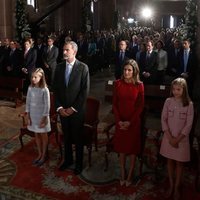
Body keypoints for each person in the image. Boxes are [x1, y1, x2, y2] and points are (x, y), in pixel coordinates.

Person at [53, 41, 90, 175]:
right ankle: (68, 160)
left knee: (78, 138)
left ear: (74, 51)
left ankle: (79, 164)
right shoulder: (59, 67)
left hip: (77, 111)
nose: (64, 52)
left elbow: (84, 91)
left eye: (66, 50)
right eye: (63, 50)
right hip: (63, 110)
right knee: (67, 137)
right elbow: (55, 89)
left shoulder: (83, 67)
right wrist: (60, 108)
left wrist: (73, 108)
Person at [160, 78, 194, 200]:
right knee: (169, 161)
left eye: (178, 89)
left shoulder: (189, 104)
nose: (175, 92)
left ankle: (177, 187)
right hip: (169, 138)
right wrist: (170, 138)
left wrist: (177, 139)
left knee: (179, 163)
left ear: (184, 90)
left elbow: (188, 125)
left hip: (181, 140)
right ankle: (171, 184)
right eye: (174, 89)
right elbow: (163, 119)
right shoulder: (168, 101)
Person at [112, 59, 144, 186]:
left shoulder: (139, 85)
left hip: (133, 121)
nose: (126, 72)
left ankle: (130, 173)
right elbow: (114, 104)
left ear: (134, 71)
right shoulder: (117, 83)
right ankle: (122, 172)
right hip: (120, 121)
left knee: (132, 148)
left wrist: (130, 122)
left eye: (129, 70)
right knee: (122, 148)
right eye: (125, 69)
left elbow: (140, 106)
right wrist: (119, 121)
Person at [25, 68, 51, 166]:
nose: (33, 79)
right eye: (32, 77)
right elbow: (27, 103)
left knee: (43, 136)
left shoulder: (45, 89)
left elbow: (47, 106)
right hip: (33, 115)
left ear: (41, 77)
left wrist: (44, 119)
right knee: (36, 135)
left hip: (42, 116)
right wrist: (28, 116)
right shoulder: (30, 88)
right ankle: (39, 154)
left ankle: (44, 155)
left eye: (35, 77)